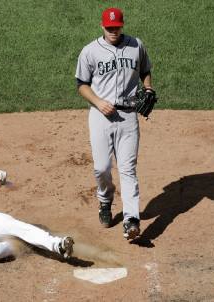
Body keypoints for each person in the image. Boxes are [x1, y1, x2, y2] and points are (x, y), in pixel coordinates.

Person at [75, 7, 155, 240]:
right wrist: (99, 102)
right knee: (101, 168)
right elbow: (81, 84)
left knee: (128, 169)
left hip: (129, 116)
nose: (113, 31)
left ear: (122, 25)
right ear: (102, 26)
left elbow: (146, 70)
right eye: (109, 28)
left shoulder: (136, 45)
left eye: (117, 27)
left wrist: (148, 87)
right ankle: (105, 201)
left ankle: (131, 220)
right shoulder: (90, 51)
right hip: (101, 117)